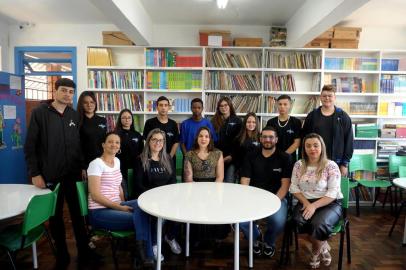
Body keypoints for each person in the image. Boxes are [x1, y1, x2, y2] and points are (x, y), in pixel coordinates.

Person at [24, 78, 94, 267]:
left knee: (78, 214)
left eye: (71, 92)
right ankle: (62, 252)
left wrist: (82, 167)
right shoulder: (39, 113)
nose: (67, 94)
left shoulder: (73, 115)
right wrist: (35, 173)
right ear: (55, 91)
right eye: (64, 90)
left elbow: (77, 145)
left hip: (73, 174)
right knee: (55, 217)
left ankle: (84, 249)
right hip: (51, 175)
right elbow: (30, 146)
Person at [87, 131, 153, 266]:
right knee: (142, 217)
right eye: (110, 141)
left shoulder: (117, 161)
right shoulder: (96, 164)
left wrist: (122, 203)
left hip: (116, 205)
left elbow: (119, 186)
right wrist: (120, 208)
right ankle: (145, 255)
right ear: (103, 145)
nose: (114, 145)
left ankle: (143, 252)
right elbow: (95, 195)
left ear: (120, 146)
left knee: (144, 205)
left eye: (117, 142)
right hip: (99, 212)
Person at [290, 133, 343, 269]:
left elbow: (333, 192)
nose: (312, 149)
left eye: (315, 145)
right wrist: (307, 204)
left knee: (318, 225)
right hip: (305, 202)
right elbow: (294, 187)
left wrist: (314, 206)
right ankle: (323, 245)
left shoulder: (331, 165)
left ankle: (315, 252)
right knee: (297, 223)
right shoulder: (299, 164)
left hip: (329, 203)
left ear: (322, 147)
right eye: (308, 146)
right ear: (304, 148)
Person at [240, 126, 291, 258]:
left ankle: (269, 242)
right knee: (241, 220)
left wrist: (272, 202)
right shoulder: (250, 156)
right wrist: (246, 199)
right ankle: (256, 238)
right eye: (265, 137)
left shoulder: (284, 158)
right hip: (253, 197)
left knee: (277, 221)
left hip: (277, 198)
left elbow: (285, 186)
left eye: (271, 137)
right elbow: (245, 181)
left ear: (276, 139)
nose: (267, 140)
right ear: (260, 138)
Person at [135, 128, 182, 258]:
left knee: (180, 211)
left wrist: (169, 198)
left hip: (166, 198)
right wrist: (154, 199)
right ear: (148, 141)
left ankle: (170, 237)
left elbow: (172, 182)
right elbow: (138, 185)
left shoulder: (168, 158)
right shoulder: (141, 160)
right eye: (154, 139)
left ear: (164, 142)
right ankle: (154, 244)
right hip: (149, 200)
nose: (157, 143)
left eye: (160, 140)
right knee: (156, 217)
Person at [302, 85, 354, 176]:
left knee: (334, 188)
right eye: (324, 96)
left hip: (336, 162)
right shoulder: (312, 116)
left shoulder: (343, 117)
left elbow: (349, 141)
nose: (327, 98)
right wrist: (304, 160)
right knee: (316, 188)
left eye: (330, 96)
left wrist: (344, 164)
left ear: (334, 97)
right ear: (320, 98)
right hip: (314, 161)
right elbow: (304, 139)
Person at [211, 96, 242, 183]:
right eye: (221, 106)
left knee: (229, 183)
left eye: (226, 105)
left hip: (231, 159)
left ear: (230, 106)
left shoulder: (238, 121)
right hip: (216, 158)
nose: (223, 108)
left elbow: (240, 142)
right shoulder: (213, 121)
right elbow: (211, 140)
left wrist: (232, 156)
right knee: (217, 183)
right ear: (218, 108)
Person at [115, 109, 144, 199]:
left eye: (129, 118)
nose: (127, 120)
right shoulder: (115, 134)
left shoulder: (137, 135)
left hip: (135, 168)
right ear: (120, 119)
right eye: (124, 118)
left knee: (134, 191)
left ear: (132, 120)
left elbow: (141, 152)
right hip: (120, 169)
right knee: (124, 193)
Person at [266, 94, 302, 163]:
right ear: (277, 105)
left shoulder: (296, 122)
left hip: (289, 158)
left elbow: (297, 143)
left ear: (290, 106)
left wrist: (284, 155)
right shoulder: (271, 122)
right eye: (280, 104)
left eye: (285, 104)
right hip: (273, 157)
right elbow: (268, 141)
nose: (282, 106)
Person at [143, 96, 179, 161]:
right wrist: (154, 157)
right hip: (153, 159)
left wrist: (170, 157)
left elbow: (176, 142)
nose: (163, 108)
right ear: (157, 107)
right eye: (161, 105)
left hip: (170, 158)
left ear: (169, 107)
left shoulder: (173, 124)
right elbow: (147, 141)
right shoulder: (149, 123)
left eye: (165, 105)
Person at [77, 91, 107, 171]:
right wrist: (83, 167)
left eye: (92, 102)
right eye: (85, 103)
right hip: (85, 163)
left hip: (102, 161)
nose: (89, 105)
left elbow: (105, 141)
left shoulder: (103, 120)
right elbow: (77, 146)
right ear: (81, 104)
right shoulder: (77, 121)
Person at [232, 112, 260, 179]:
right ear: (245, 123)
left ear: (257, 124)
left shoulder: (261, 137)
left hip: (256, 169)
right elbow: (235, 157)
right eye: (248, 122)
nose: (251, 124)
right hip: (242, 170)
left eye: (253, 122)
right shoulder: (238, 138)